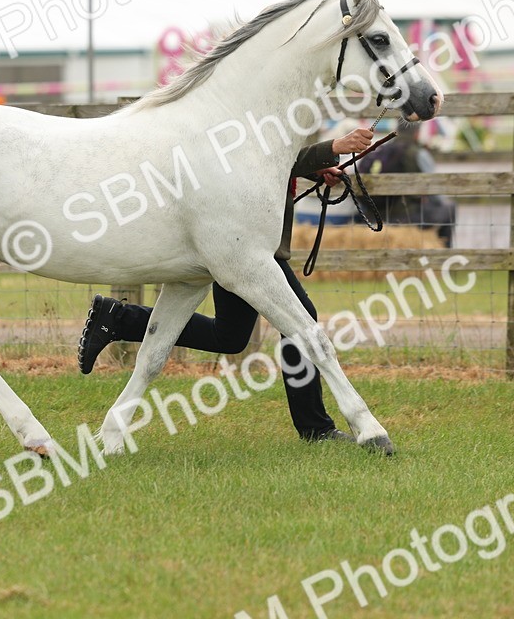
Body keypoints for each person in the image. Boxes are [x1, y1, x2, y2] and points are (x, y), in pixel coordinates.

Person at [76, 127, 377, 444]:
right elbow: (261, 150)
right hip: (242, 243)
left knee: (230, 336)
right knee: (301, 320)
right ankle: (315, 428)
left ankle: (119, 318)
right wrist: (332, 147)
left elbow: (275, 158)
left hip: (246, 241)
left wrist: (314, 167)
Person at [355, 121, 456, 247]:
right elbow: (436, 195)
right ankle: (444, 252)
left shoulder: (379, 150)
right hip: (406, 217)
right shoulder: (418, 153)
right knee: (449, 208)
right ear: (417, 133)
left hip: (372, 216)